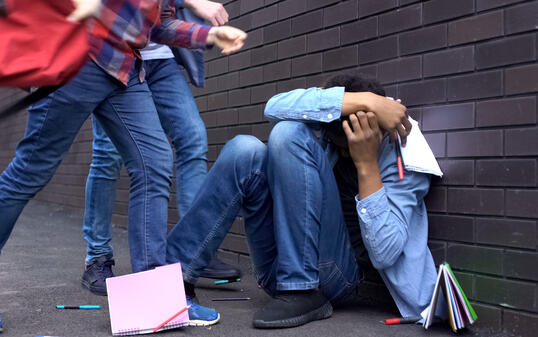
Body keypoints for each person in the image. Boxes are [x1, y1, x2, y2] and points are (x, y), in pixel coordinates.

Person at [0, 0, 246, 326]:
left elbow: (157, 25)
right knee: (29, 174)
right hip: (77, 60)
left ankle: (153, 302)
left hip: (123, 68)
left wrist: (209, 34)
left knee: (155, 163)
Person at [164, 74, 442, 328]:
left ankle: (302, 289)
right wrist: (364, 101)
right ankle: (171, 285)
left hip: (337, 278)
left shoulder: (403, 153)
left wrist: (366, 164)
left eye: (345, 146)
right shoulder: (335, 132)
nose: (341, 153)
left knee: (288, 134)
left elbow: (386, 253)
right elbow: (273, 106)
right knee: (243, 149)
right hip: (278, 271)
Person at [81, 0, 241, 307]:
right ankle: (97, 257)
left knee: (192, 138)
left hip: (160, 57)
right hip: (113, 55)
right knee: (108, 156)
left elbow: (163, 18)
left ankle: (193, 249)